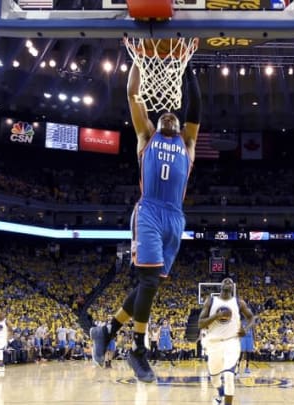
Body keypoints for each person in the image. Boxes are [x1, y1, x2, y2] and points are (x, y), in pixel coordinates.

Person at [90, 57, 201, 383]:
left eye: (174, 117)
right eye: (163, 115)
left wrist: (188, 70)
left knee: (147, 285)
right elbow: (133, 95)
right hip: (150, 210)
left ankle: (107, 330)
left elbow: (195, 106)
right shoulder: (146, 137)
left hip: (175, 219)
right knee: (148, 282)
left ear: (181, 127)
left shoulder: (188, 143)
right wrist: (138, 59)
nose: (169, 116)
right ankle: (137, 348)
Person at [198, 278, 255, 405]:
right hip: (213, 343)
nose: (228, 282)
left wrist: (246, 329)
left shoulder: (239, 302)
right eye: (225, 281)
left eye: (230, 282)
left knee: (229, 376)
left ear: (233, 287)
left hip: (232, 342)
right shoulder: (211, 301)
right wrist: (216, 316)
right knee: (214, 380)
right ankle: (220, 393)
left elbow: (251, 318)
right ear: (221, 286)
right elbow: (200, 324)